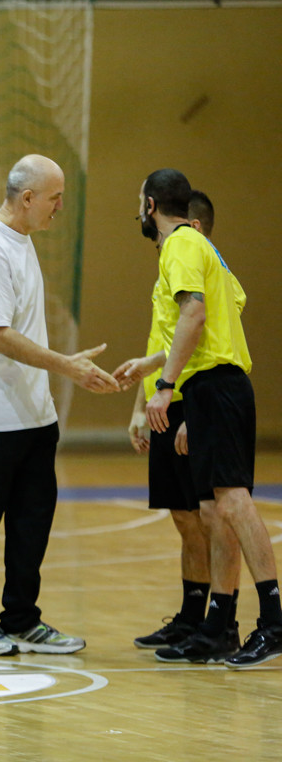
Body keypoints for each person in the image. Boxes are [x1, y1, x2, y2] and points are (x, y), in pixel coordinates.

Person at [0, 154, 119, 656]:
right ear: (27, 198)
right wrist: (68, 366)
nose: (59, 207)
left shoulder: (21, 240)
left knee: (31, 524)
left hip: (33, 415)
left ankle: (23, 619)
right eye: (54, 198)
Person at [115, 169, 282, 668]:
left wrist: (166, 387)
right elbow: (220, 313)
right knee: (215, 507)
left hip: (216, 386)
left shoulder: (181, 243)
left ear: (150, 206)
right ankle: (219, 624)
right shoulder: (200, 248)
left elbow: (195, 314)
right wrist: (154, 364)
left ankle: (274, 622)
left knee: (233, 502)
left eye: (139, 203)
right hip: (212, 386)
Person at [127, 188, 242, 651]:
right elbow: (161, 339)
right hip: (164, 398)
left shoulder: (207, 269)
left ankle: (221, 619)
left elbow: (214, 339)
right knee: (183, 513)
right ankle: (191, 615)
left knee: (212, 513)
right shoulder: (169, 269)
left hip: (193, 396)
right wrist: (140, 406)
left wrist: (198, 413)